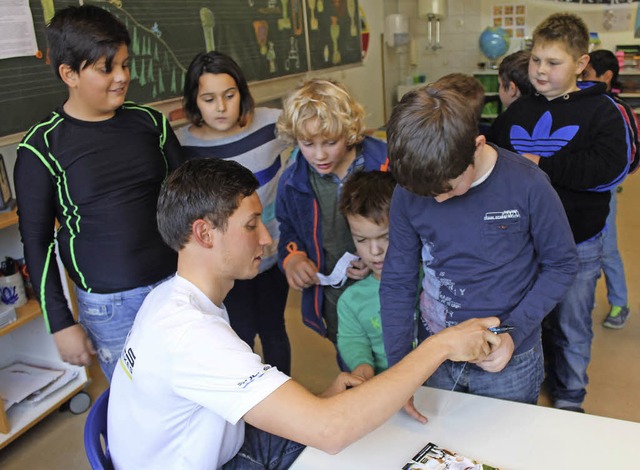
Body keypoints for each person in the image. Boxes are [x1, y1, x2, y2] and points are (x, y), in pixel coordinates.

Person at [107, 158, 502, 469]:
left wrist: (314, 402)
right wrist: (441, 346)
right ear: (204, 234)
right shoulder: (190, 334)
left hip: (214, 446)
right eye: (251, 225)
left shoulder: (169, 298)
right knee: (352, 444)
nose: (266, 238)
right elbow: (330, 430)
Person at [380, 85, 578, 417]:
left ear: (477, 146)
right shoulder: (409, 191)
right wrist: (400, 371)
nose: (438, 200)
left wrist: (513, 333)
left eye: (447, 188)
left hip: (509, 358)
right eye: (427, 194)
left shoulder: (528, 185)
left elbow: (562, 264)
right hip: (435, 354)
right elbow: (398, 281)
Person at [14, 5, 184, 381]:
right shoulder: (41, 147)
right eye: (107, 68)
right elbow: (36, 243)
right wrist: (61, 321)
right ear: (69, 73)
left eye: (125, 64)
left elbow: (187, 202)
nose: (122, 77)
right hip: (110, 307)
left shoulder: (150, 123)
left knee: (200, 391)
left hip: (178, 286)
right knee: (137, 405)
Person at [488, 13, 631, 412]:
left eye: (554, 63)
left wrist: (542, 163)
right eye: (536, 60)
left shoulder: (603, 109)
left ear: (581, 64)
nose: (541, 70)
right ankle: (531, 383)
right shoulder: (518, 111)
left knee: (571, 324)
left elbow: (611, 167)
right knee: (526, 321)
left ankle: (570, 396)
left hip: (577, 244)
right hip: (521, 245)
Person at [178, 51, 291, 374]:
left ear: (242, 92)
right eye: (209, 99)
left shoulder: (271, 125)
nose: (222, 107)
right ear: (194, 101)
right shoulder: (183, 148)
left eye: (230, 95)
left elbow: (313, 134)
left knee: (274, 330)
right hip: (223, 267)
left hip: (270, 255)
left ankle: (284, 409)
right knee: (238, 336)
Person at [275, 79, 388, 346]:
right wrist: (293, 258)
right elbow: (288, 228)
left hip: (390, 289)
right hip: (337, 300)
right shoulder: (292, 182)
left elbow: (416, 223)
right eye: (307, 143)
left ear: (349, 132)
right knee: (353, 359)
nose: (319, 155)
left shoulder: (386, 165)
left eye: (330, 142)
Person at [582, 48, 640, 329]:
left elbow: (632, 153)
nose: (582, 79)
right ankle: (585, 298)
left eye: (587, 74)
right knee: (580, 247)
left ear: (606, 76)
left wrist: (613, 179)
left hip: (603, 191)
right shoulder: (577, 104)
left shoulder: (618, 109)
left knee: (606, 248)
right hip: (578, 191)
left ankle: (620, 302)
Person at [336, 171, 396, 380]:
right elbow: (353, 340)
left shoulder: (430, 282)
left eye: (385, 238)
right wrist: (361, 366)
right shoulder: (351, 301)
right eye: (361, 240)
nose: (375, 251)